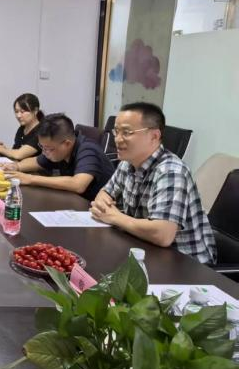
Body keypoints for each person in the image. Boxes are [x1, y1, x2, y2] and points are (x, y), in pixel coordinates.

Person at [90, 103, 216, 263]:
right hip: (146, 249)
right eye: (116, 131)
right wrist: (103, 205)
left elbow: (162, 234)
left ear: (154, 136)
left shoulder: (171, 172)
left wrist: (115, 217)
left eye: (126, 132)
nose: (117, 139)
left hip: (185, 263)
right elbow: (104, 194)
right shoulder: (127, 163)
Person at [3, 113, 114, 201]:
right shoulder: (57, 150)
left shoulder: (88, 150)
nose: (44, 152)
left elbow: (78, 184)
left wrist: (30, 179)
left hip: (99, 209)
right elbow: (37, 161)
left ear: (67, 144)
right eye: (42, 147)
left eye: (48, 148)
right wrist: (16, 166)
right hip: (75, 201)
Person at [0, 93, 44, 160]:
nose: (18, 116)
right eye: (16, 111)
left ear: (35, 111)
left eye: (22, 112)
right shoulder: (22, 128)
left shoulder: (42, 131)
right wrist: (3, 148)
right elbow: (14, 152)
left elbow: (18, 155)